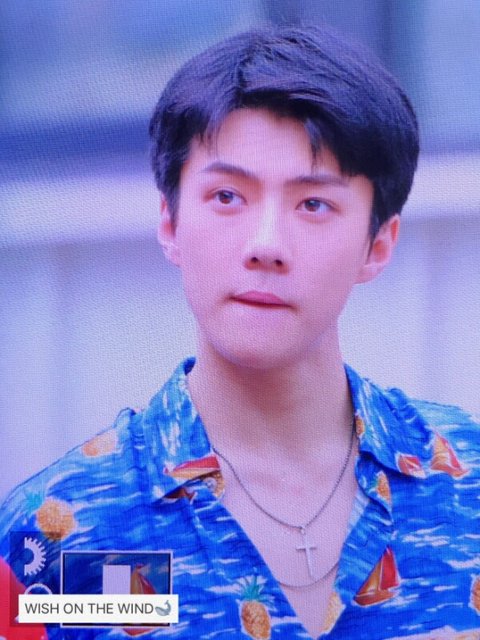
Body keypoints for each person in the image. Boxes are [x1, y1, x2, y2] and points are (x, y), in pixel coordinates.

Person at [1, 24, 479, 640]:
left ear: (378, 244)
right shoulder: (61, 538)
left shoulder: (466, 489)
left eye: (313, 204)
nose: (265, 244)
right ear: (170, 222)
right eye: (228, 196)